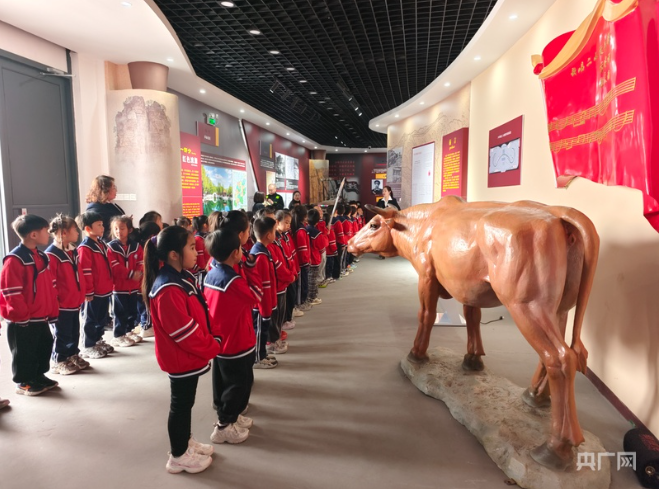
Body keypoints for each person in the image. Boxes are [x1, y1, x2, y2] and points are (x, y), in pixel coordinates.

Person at [143, 225, 221, 474]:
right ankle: (178, 455)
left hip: (188, 357)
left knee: (186, 403)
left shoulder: (181, 277)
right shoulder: (168, 288)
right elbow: (184, 333)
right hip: (181, 358)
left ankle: (185, 442)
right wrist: (212, 346)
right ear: (174, 254)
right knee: (180, 405)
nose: (197, 252)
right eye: (191, 248)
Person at [204, 229, 259, 444]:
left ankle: (229, 415)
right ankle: (224, 425)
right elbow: (256, 295)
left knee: (222, 381)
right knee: (239, 384)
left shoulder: (212, 273)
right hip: (237, 341)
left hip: (221, 339)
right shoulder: (233, 281)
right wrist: (250, 268)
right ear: (235, 253)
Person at [0, 215, 59, 396]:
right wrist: (21, 316)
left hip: (41, 315)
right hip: (23, 319)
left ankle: (37, 375)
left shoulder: (41, 257)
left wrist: (52, 310)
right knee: (24, 352)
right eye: (45, 231)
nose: (48, 234)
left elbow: (49, 286)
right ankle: (24, 382)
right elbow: (11, 292)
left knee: (43, 346)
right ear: (34, 234)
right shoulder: (15, 259)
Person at [46, 215, 89, 376]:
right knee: (62, 333)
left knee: (73, 331)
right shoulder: (52, 254)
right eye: (74, 230)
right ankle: (59, 360)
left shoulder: (73, 250)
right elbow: (51, 281)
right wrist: (55, 300)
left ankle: (72, 355)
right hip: (62, 303)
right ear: (64, 233)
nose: (77, 233)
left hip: (74, 301)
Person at [77, 211, 115, 359]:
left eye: (102, 224)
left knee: (101, 318)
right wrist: (88, 291)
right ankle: (87, 345)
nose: (102, 227)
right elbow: (85, 271)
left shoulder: (101, 244)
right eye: (98, 225)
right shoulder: (85, 248)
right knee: (90, 319)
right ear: (88, 228)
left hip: (104, 290)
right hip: (92, 292)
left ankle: (97, 340)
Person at [107, 215, 143, 347]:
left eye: (122, 228)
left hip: (133, 286)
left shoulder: (136, 246)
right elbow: (114, 265)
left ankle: (128, 331)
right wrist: (131, 274)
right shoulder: (110, 247)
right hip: (119, 287)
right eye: (116, 229)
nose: (118, 231)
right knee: (120, 312)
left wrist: (139, 272)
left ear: (130, 230)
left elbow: (141, 261)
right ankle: (118, 335)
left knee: (132, 311)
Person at [249, 218, 279, 369]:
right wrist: (265, 308)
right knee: (260, 331)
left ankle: (262, 354)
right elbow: (262, 286)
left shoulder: (263, 250)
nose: (276, 234)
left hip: (265, 302)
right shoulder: (259, 255)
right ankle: (257, 358)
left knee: (264, 330)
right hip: (261, 304)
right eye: (274, 231)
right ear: (268, 235)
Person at [267, 214, 296, 355]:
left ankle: (276, 337)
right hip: (276, 288)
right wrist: (289, 276)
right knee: (273, 317)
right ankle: (271, 343)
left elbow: (286, 259)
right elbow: (278, 267)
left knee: (279, 316)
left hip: (281, 285)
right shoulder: (265, 249)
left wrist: (291, 274)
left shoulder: (277, 241)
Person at [133, 221, 162, 339]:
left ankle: (143, 324)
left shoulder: (138, 245)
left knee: (142, 306)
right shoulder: (148, 248)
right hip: (143, 283)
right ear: (153, 235)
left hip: (138, 284)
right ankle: (146, 326)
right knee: (146, 306)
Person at [85, 175, 125, 242]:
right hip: (109, 242)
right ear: (105, 190)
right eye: (113, 188)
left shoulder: (108, 203)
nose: (116, 190)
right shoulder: (95, 208)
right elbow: (102, 229)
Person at [306, 209, 329, 305]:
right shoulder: (317, 233)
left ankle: (310, 296)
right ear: (317, 221)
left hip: (306, 258)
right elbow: (322, 247)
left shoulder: (304, 230)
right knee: (313, 279)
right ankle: (312, 297)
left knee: (309, 278)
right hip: (314, 259)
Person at [291, 205, 311, 312]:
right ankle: (300, 303)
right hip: (301, 262)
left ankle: (302, 301)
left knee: (303, 283)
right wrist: (306, 261)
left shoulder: (298, 228)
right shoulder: (300, 231)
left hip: (300, 261)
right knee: (302, 284)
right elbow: (303, 248)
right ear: (304, 216)